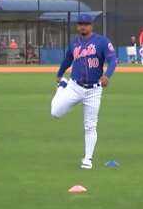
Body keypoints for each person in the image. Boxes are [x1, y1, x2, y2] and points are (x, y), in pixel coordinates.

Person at [50, 14, 117, 169]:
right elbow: (67, 59)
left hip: (94, 90)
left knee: (90, 125)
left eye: (86, 24)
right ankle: (62, 87)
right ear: (77, 26)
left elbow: (113, 59)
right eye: (80, 24)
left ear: (92, 26)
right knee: (55, 113)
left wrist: (107, 75)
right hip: (74, 86)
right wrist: (60, 74)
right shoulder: (74, 44)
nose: (83, 27)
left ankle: (88, 159)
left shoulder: (102, 41)